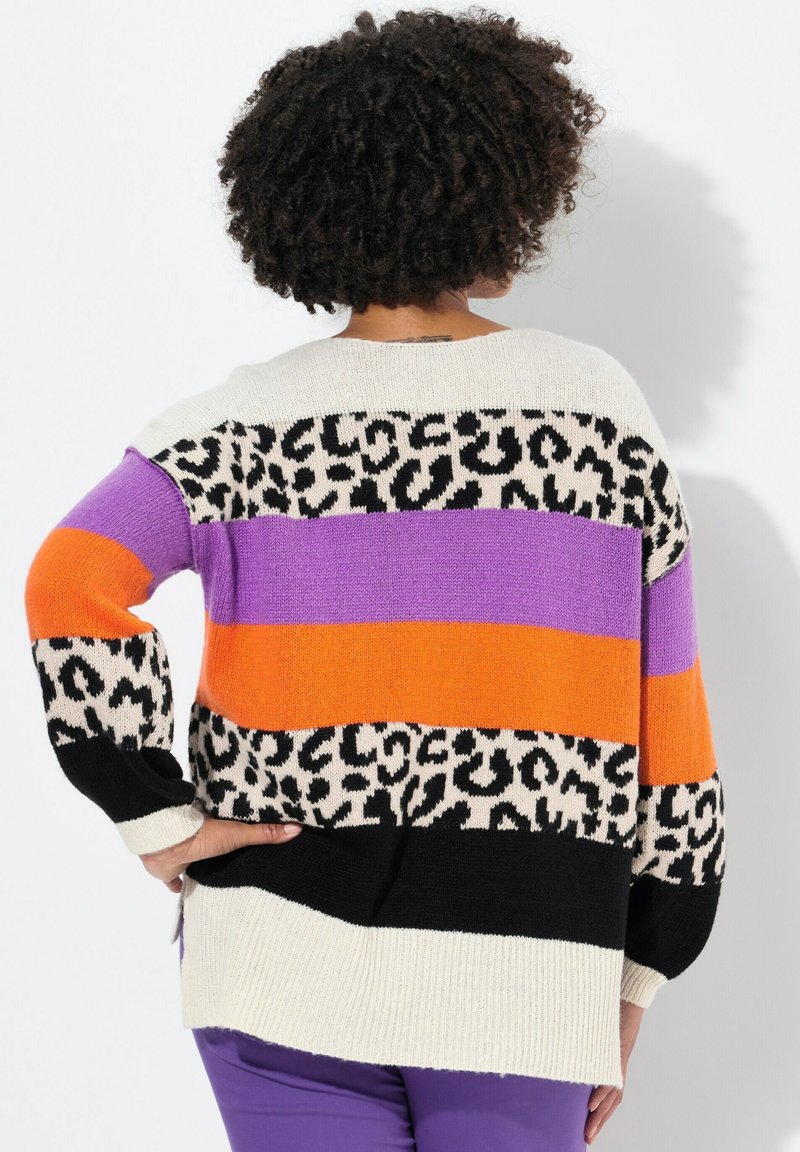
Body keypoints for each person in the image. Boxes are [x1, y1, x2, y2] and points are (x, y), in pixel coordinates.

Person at [23, 7, 726, 1150]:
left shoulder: (230, 423)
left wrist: (154, 816)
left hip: (269, 959)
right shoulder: (593, 413)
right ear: (505, 188)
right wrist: (645, 961)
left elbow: (68, 583)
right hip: (522, 967)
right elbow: (669, 712)